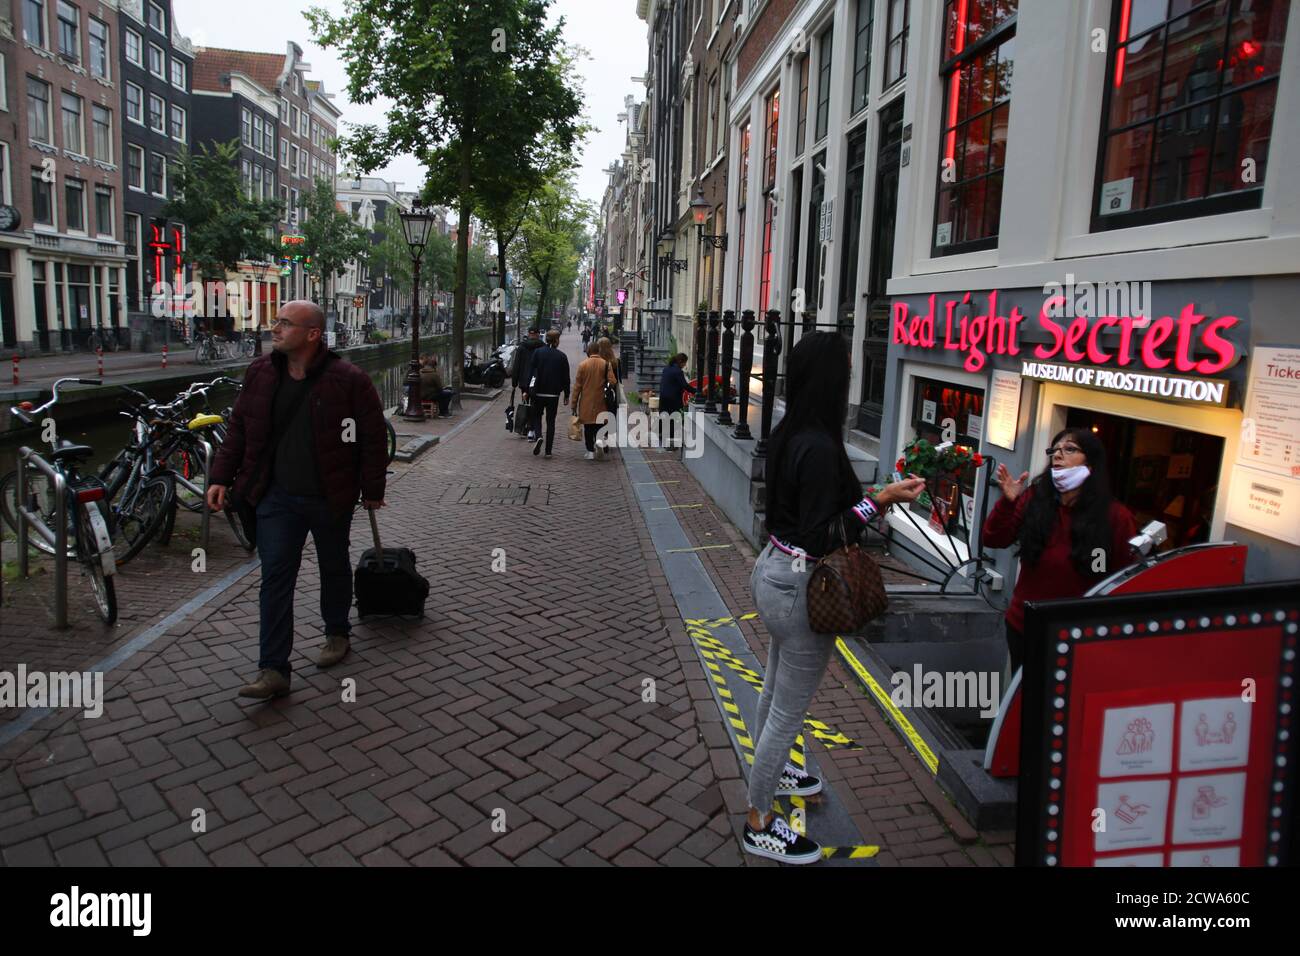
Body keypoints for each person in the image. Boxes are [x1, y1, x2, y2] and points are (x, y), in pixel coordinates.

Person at [743, 332, 925, 863]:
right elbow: (823, 534)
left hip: (772, 570)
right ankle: (759, 818)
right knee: (787, 711)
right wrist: (882, 499)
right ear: (831, 380)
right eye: (846, 370)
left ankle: (770, 768)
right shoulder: (820, 447)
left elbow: (794, 518)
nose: (852, 378)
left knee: (774, 690)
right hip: (803, 585)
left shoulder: (786, 432)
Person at [207, 301, 388, 700]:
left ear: (311, 334)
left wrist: (372, 490)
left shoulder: (348, 380)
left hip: (329, 495)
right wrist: (220, 476)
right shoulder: (259, 373)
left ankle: (336, 633)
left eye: (284, 323)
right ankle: (273, 668)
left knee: (333, 566)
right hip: (275, 497)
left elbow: (372, 437)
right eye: (275, 321)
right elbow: (238, 427)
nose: (274, 329)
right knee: (274, 578)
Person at [982, 428, 1137, 674]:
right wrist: (1008, 502)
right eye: (1054, 450)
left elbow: (1119, 578)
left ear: (1091, 462)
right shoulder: (1035, 499)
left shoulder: (1115, 518)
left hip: (1077, 635)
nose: (1057, 455)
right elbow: (993, 538)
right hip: (1025, 625)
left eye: (1070, 449)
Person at [526, 329, 571, 458]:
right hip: (553, 395)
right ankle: (548, 451)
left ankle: (539, 436)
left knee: (537, 417)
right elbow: (566, 377)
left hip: (538, 392)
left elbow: (531, 372)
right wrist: (566, 394)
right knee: (551, 421)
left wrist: (527, 391)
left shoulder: (538, 353)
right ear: (556, 340)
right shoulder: (561, 356)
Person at [571, 340, 618, 461]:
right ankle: (599, 441)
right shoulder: (605, 364)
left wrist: (574, 404)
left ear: (588, 351)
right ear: (598, 351)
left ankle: (590, 451)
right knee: (599, 424)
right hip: (601, 399)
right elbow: (613, 381)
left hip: (586, 400)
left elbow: (577, 387)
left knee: (588, 426)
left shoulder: (583, 365)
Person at [510, 326, 546, 439]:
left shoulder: (521, 347)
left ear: (529, 334)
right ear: (538, 334)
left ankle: (525, 427)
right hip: (537, 381)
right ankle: (532, 429)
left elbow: (516, 365)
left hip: (524, 381)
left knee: (526, 403)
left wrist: (514, 382)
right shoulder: (543, 347)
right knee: (535, 405)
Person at [657, 353, 695, 448]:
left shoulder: (667, 368)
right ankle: (669, 442)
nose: (685, 365)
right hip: (673, 399)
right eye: (685, 363)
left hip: (663, 397)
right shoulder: (678, 371)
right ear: (681, 362)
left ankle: (660, 435)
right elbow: (684, 385)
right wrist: (697, 392)